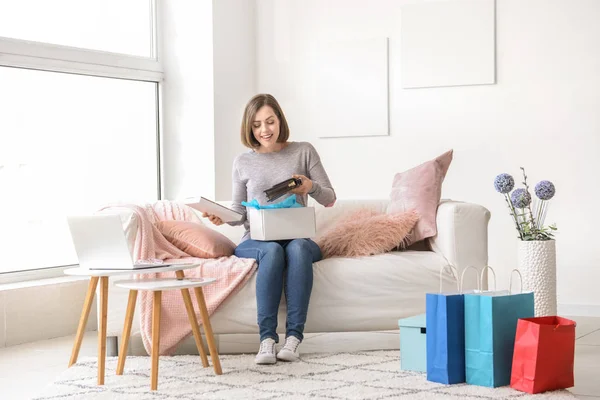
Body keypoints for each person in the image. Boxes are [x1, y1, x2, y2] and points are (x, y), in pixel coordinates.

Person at [203, 94, 336, 364]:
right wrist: (222, 218)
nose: (264, 130)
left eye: (270, 121)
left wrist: (309, 187)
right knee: (273, 251)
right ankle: (266, 340)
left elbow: (330, 198)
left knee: (298, 248)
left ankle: (293, 338)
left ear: (280, 121)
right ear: (249, 128)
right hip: (257, 240)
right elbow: (240, 214)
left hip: (298, 235)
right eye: (256, 125)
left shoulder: (303, 151)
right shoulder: (243, 161)